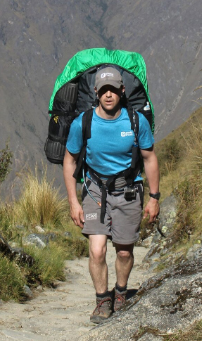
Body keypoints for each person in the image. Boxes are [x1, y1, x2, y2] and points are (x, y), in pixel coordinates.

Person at [63, 66, 160, 323]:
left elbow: (149, 158)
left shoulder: (136, 121)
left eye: (113, 90)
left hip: (128, 191)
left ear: (122, 91)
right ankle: (102, 301)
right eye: (103, 90)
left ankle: (120, 292)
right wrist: (73, 201)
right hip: (95, 190)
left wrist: (154, 197)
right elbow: (70, 160)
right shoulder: (82, 123)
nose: (108, 95)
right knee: (96, 250)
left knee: (124, 252)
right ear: (95, 92)